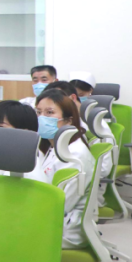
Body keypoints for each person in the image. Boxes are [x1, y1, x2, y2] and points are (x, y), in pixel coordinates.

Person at [34, 89, 94, 248]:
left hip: (66, 227)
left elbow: (62, 204)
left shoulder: (74, 155)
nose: (41, 118)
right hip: (52, 217)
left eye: (49, 112)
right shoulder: (54, 147)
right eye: (38, 112)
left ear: (68, 121)